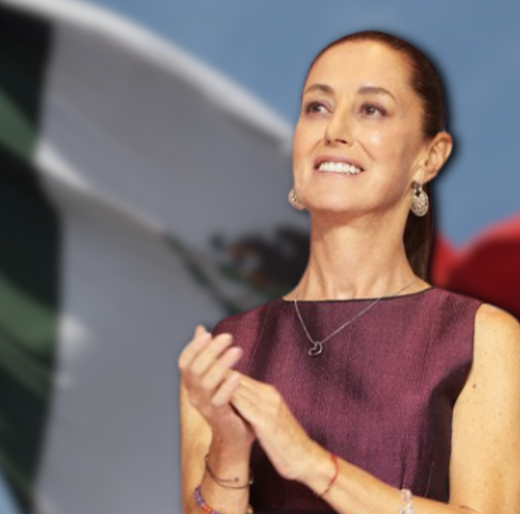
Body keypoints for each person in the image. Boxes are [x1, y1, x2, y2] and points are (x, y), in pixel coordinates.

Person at [178, 30, 520, 514]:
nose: (334, 130)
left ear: (429, 157)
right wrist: (230, 448)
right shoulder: (229, 349)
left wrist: (313, 464)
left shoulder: (479, 337)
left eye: (371, 110)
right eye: (317, 107)